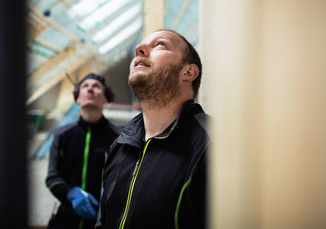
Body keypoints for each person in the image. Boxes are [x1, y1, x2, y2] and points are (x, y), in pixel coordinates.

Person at [95, 29, 210, 229]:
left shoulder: (213, 143)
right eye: (140, 47)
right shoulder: (121, 143)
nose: (139, 49)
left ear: (188, 72)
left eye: (160, 44)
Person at [45, 73, 121, 229]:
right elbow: (53, 177)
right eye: (85, 86)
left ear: (106, 98)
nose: (90, 89)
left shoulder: (119, 138)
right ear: (77, 98)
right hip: (65, 220)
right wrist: (70, 193)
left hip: (102, 222)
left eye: (96, 86)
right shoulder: (62, 135)